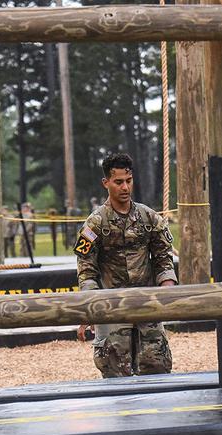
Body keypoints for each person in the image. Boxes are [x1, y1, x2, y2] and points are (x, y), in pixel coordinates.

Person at [75, 153, 177, 377]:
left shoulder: (150, 218)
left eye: (128, 181)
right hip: (112, 307)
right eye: (118, 182)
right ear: (106, 183)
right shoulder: (94, 224)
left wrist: (167, 290)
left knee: (157, 366)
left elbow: (163, 258)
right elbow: (86, 269)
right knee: (115, 371)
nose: (125, 187)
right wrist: (89, 308)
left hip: (147, 304)